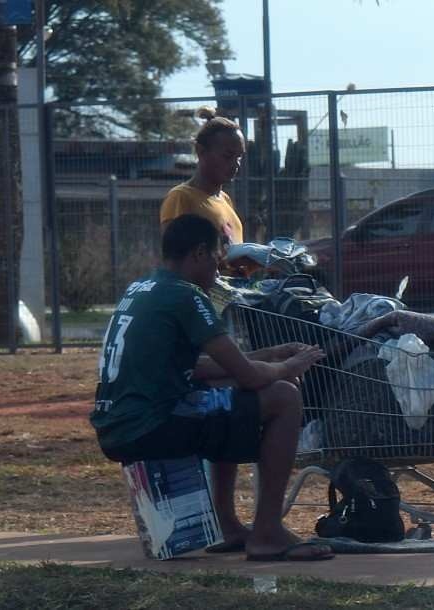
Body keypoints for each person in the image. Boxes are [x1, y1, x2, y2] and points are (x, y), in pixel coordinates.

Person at [90, 214, 333, 562]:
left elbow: (203, 367)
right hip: (153, 424)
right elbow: (249, 376)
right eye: (219, 255)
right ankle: (267, 533)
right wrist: (289, 367)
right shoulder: (187, 296)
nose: (222, 265)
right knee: (284, 396)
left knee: (223, 397)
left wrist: (271, 354)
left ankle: (228, 526)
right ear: (200, 253)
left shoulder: (144, 289)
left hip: (120, 425)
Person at [159, 106, 246, 245]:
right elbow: (175, 260)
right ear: (201, 151)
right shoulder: (181, 198)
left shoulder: (225, 199)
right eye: (227, 156)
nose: (236, 164)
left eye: (239, 157)